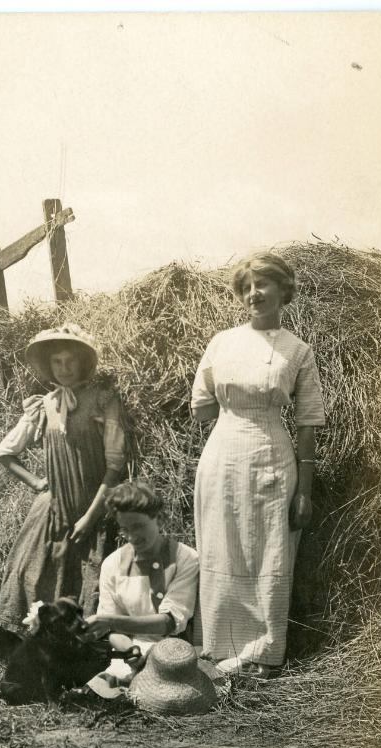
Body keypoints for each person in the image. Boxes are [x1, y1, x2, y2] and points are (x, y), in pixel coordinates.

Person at [191, 251, 326, 677]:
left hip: (272, 455)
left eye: (263, 285)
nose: (255, 293)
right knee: (221, 545)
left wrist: (303, 490)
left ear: (283, 291)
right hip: (222, 457)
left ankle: (262, 654)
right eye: (247, 287)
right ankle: (216, 648)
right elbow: (201, 407)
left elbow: (307, 423)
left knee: (269, 552)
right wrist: (236, 404)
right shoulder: (221, 342)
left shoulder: (297, 351)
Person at [0, 323, 127, 632]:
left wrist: (91, 518)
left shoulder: (104, 400)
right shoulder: (43, 406)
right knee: (32, 572)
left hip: (94, 504)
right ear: (48, 365)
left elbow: (115, 466)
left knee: (92, 580)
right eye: (57, 362)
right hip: (52, 510)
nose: (64, 368)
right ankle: (44, 642)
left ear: (82, 361)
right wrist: (37, 483)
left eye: (70, 360)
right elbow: (3, 453)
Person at [84, 480, 199, 697]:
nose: (132, 537)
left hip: (174, 654)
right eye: (125, 529)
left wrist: (110, 621)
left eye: (138, 526)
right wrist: (129, 650)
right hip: (128, 652)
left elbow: (169, 622)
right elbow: (114, 631)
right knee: (107, 685)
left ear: (160, 519)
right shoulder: (112, 563)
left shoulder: (185, 558)